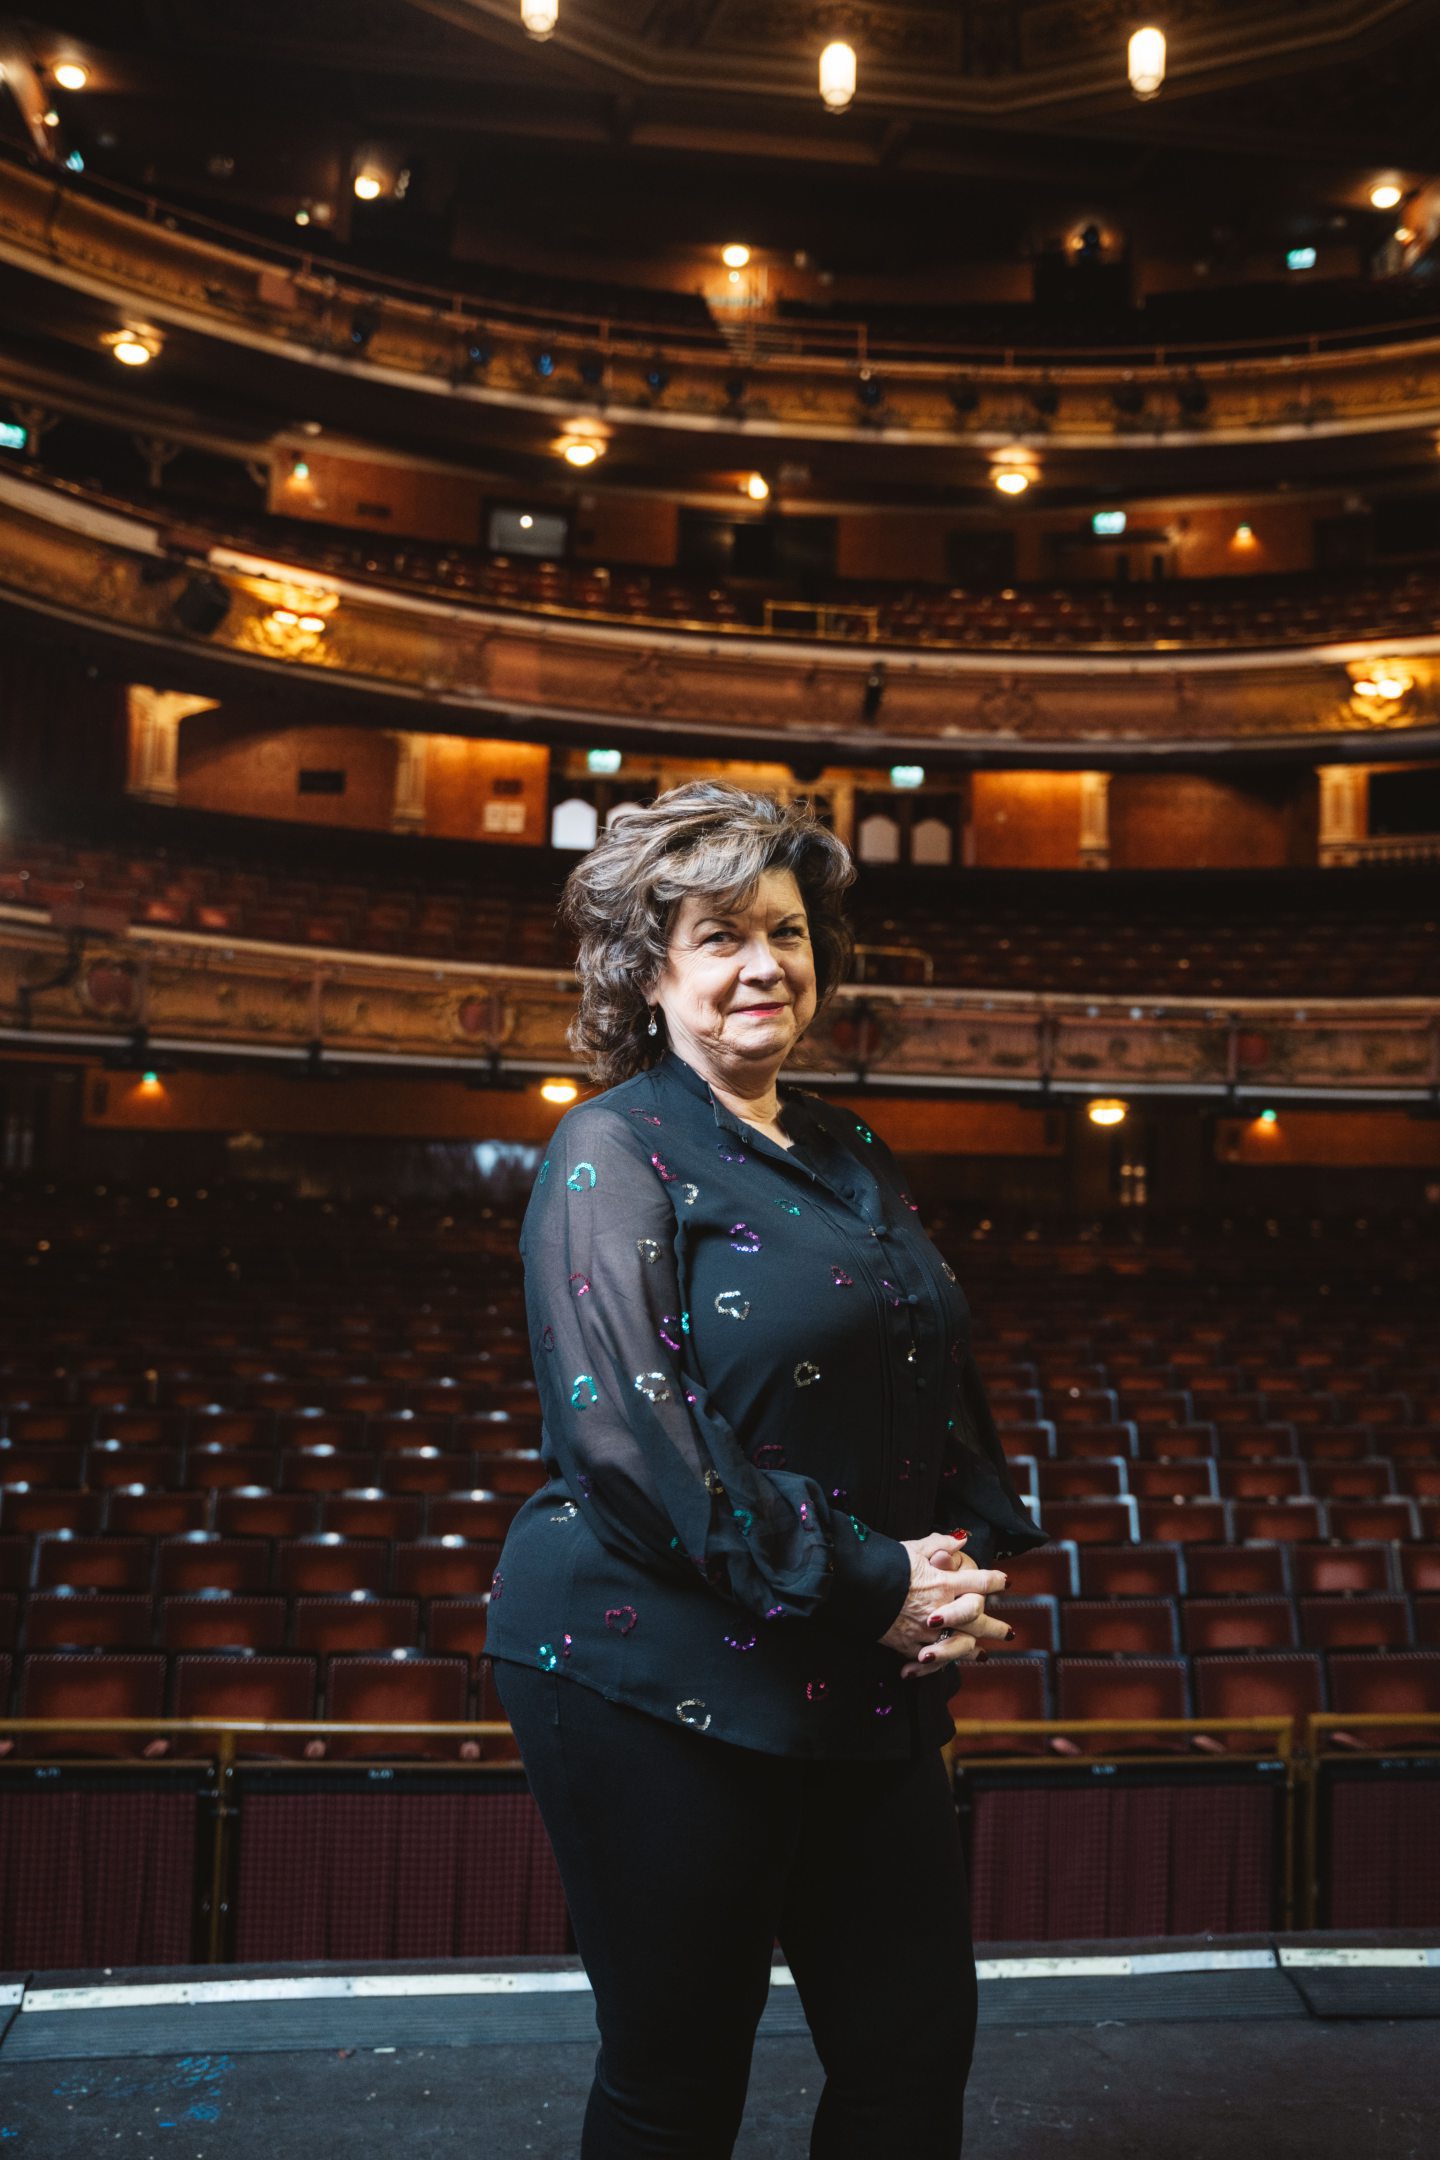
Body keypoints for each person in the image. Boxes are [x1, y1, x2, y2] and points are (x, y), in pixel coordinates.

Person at [486, 779, 1047, 2159]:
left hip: (854, 1658)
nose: (764, 966)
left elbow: (927, 1371)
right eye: (722, 936)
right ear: (649, 972)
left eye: (787, 933)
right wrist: (874, 1584)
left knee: (914, 2053)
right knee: (680, 2077)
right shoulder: (608, 1148)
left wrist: (951, 1568)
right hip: (656, 1667)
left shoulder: (853, 1145)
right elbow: (632, 1443)